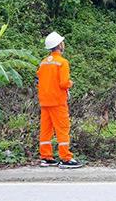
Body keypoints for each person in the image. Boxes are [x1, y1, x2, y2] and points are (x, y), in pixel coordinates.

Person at [37, 31, 79, 168]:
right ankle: (65, 158)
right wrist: (70, 83)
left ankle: (46, 157)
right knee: (62, 128)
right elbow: (64, 83)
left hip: (44, 101)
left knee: (46, 129)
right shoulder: (62, 62)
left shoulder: (43, 63)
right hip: (57, 101)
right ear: (60, 45)